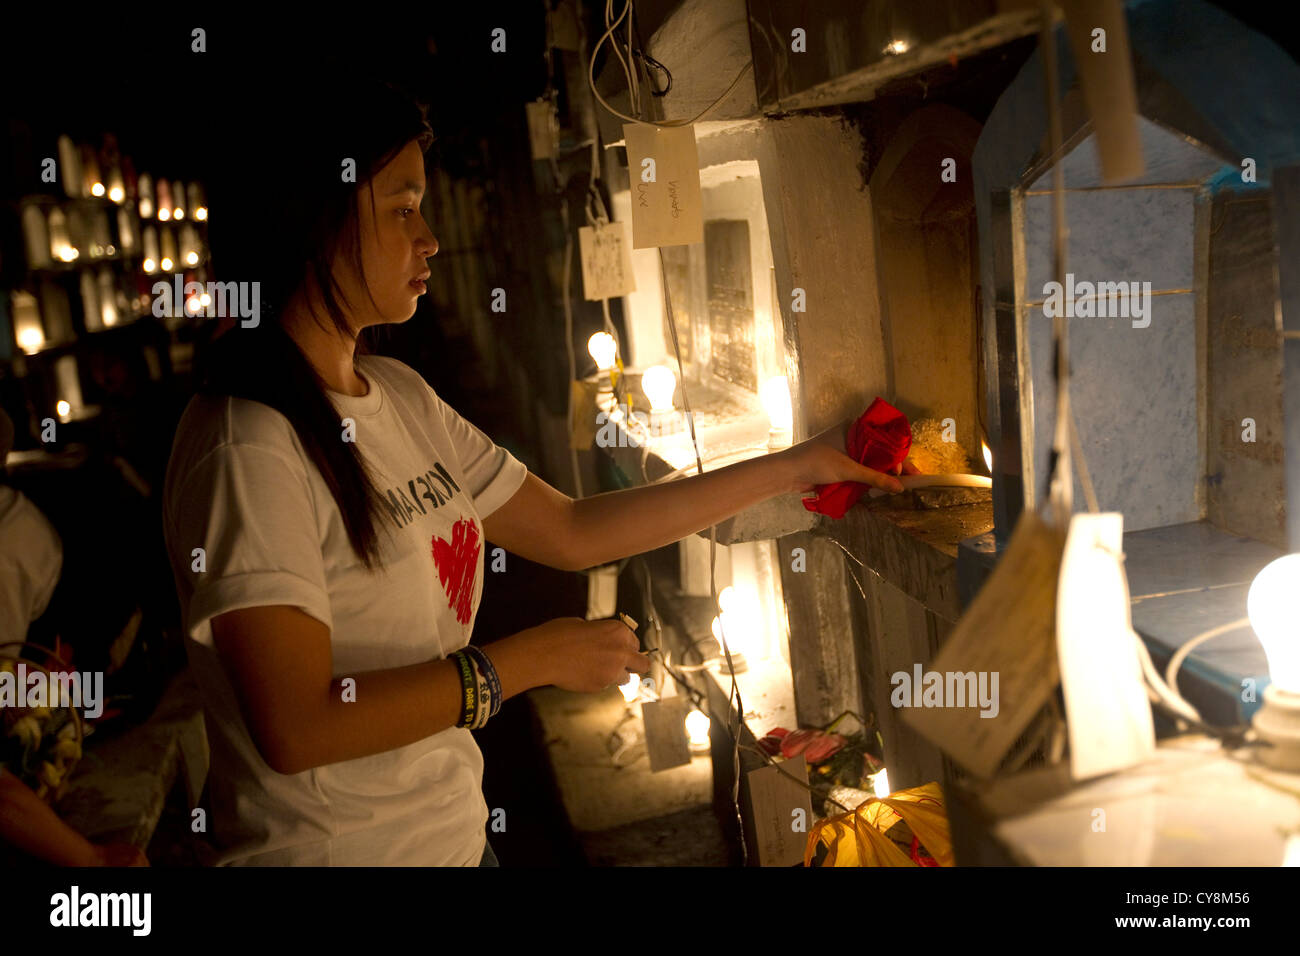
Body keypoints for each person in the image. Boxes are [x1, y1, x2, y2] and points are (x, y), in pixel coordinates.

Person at [161, 75, 904, 867]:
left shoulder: (399, 398)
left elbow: (572, 528)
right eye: (401, 208)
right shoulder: (248, 447)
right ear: (315, 219)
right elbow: (296, 725)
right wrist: (526, 662)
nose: (430, 238)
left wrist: (794, 465)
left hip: (452, 838)